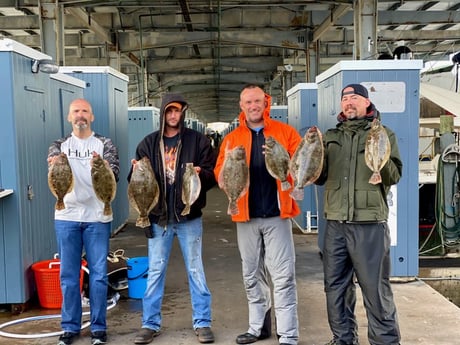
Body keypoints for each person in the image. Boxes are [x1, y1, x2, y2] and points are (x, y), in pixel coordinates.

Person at [315, 84, 403, 345]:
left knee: (376, 291)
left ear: (367, 103)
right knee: (335, 289)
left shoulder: (384, 134)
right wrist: (310, 154)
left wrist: (380, 159)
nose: (348, 102)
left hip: (369, 225)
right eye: (344, 98)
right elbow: (319, 178)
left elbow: (395, 175)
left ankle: (385, 342)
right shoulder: (331, 136)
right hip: (335, 224)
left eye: (354, 97)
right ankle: (343, 339)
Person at [214, 84, 301, 345]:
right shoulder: (231, 140)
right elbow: (220, 172)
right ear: (241, 107)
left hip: (278, 215)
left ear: (266, 103)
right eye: (247, 103)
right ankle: (257, 327)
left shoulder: (285, 132)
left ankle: (287, 334)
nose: (253, 106)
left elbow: (301, 163)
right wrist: (224, 175)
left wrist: (288, 163)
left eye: (257, 101)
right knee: (251, 274)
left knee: (283, 275)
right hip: (246, 216)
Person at [129, 93, 216, 344]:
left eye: (177, 111)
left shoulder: (197, 141)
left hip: (189, 217)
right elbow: (134, 183)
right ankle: (149, 323)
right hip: (158, 218)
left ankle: (202, 322)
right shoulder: (147, 143)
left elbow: (212, 174)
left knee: (195, 269)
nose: (173, 116)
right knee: (155, 272)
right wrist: (134, 171)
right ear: (162, 114)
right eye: (168, 111)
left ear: (183, 113)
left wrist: (202, 174)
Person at [47, 98, 120, 345]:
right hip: (66, 216)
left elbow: (115, 175)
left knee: (99, 275)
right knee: (68, 275)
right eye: (76, 111)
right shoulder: (59, 146)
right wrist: (54, 164)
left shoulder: (105, 144)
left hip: (98, 217)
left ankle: (98, 328)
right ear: (69, 118)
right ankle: (70, 327)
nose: (80, 115)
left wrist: (106, 166)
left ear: (92, 117)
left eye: (85, 111)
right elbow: (54, 172)